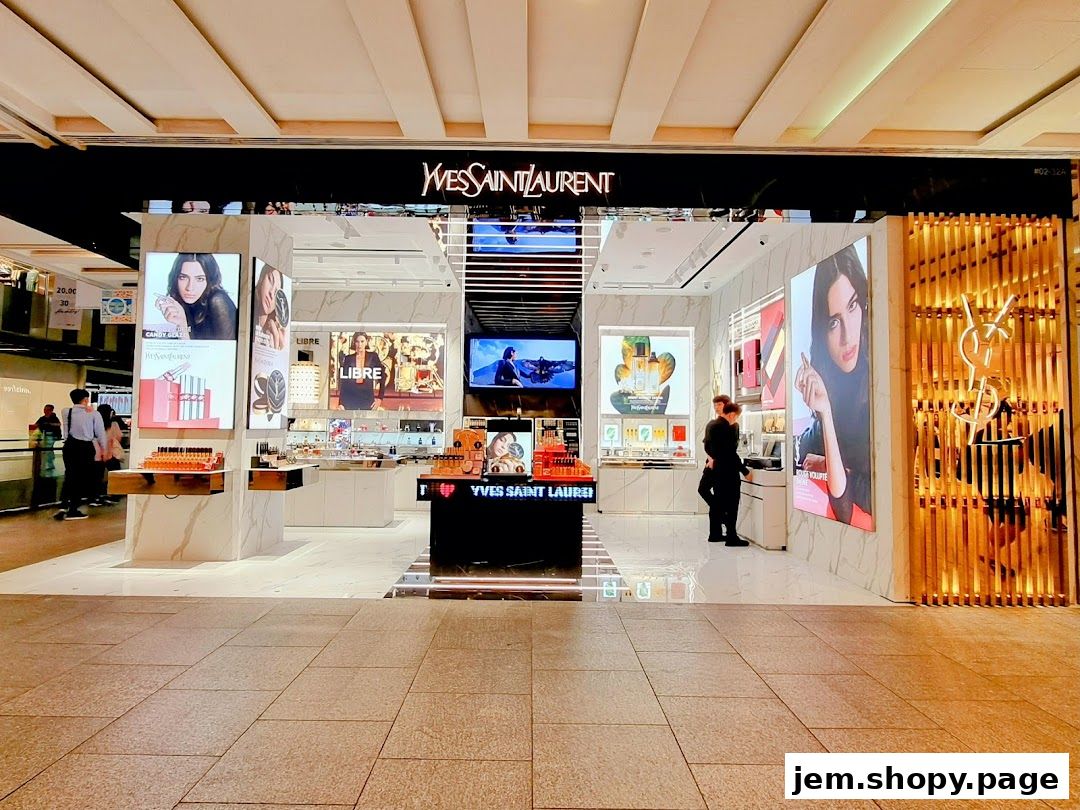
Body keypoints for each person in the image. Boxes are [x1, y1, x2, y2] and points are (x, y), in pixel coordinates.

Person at [794, 244, 872, 525]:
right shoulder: (834, 388)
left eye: (852, 307)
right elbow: (805, 451)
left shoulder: (877, 391)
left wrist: (832, 466)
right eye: (833, 323)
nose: (847, 336)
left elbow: (847, 507)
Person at [155, 253, 238, 341]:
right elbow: (188, 350)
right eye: (183, 277)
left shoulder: (218, 301)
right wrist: (181, 322)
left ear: (210, 280)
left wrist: (182, 324)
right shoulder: (185, 302)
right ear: (175, 278)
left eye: (200, 279)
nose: (190, 288)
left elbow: (226, 353)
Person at [56, 388, 107, 521]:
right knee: (80, 478)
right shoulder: (94, 414)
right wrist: (104, 450)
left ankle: (63, 506)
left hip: (69, 447)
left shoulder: (66, 412)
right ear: (85, 399)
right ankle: (73, 509)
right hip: (85, 447)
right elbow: (100, 434)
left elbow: (66, 432)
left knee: (70, 476)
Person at [699, 395, 741, 543]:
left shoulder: (733, 426)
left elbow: (731, 449)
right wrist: (711, 458)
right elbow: (706, 444)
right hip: (712, 464)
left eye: (719, 404)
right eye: (715, 405)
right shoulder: (713, 424)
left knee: (717, 497)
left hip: (721, 465)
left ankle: (716, 533)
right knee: (703, 490)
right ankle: (722, 519)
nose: (716, 407)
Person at [336, 332, 385, 410]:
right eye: (357, 341)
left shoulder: (373, 356)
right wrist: (341, 403)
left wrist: (380, 398)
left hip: (367, 397)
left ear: (366, 342)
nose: (359, 344)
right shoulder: (349, 358)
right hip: (351, 397)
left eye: (362, 341)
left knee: (367, 421)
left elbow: (382, 378)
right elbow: (344, 383)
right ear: (354, 343)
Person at [90, 404, 125, 506]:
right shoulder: (113, 424)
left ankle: (94, 497)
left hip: (96, 454)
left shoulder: (94, 423)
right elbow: (119, 436)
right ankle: (115, 496)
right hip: (111, 454)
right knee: (115, 475)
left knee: (96, 477)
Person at [253, 262, 286, 350]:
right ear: (261, 280)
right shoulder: (245, 317)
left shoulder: (273, 330)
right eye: (270, 280)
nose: (271, 293)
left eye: (276, 292)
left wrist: (278, 353)